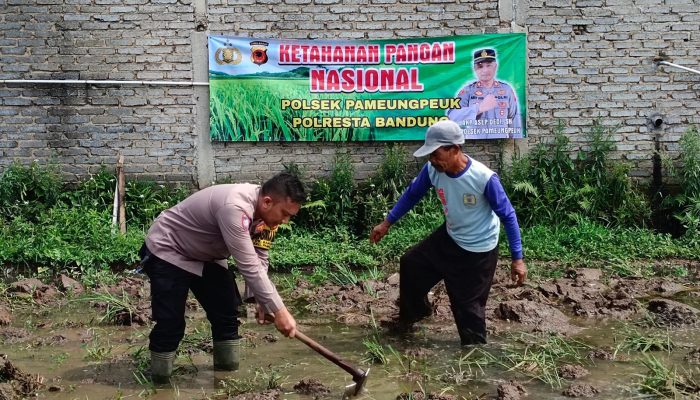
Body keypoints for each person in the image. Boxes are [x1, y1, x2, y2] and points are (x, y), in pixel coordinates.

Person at [369, 120, 526, 345]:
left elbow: (508, 216)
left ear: (454, 149)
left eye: (436, 154)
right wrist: (386, 223)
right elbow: (413, 194)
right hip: (450, 237)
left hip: (478, 251)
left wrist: (517, 259)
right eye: (430, 155)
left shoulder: (484, 178)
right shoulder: (433, 170)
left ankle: (474, 358)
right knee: (411, 265)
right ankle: (415, 314)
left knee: (467, 309)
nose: (432, 160)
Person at [138, 171, 305, 383]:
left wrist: (264, 301)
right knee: (170, 322)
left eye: (290, 216)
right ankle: (159, 385)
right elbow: (249, 265)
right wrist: (280, 311)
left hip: (206, 253)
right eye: (284, 213)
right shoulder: (234, 208)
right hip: (170, 249)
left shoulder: (267, 220)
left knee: (226, 312)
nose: (285, 220)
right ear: (267, 201)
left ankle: (227, 380)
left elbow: (260, 256)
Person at [446, 48, 522, 139]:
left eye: (489, 65)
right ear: (475, 69)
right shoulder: (467, 91)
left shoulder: (507, 90)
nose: (485, 70)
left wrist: (515, 143)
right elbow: (452, 116)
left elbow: (514, 119)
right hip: (474, 145)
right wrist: (478, 108)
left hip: (500, 144)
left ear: (495, 67)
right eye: (480, 66)